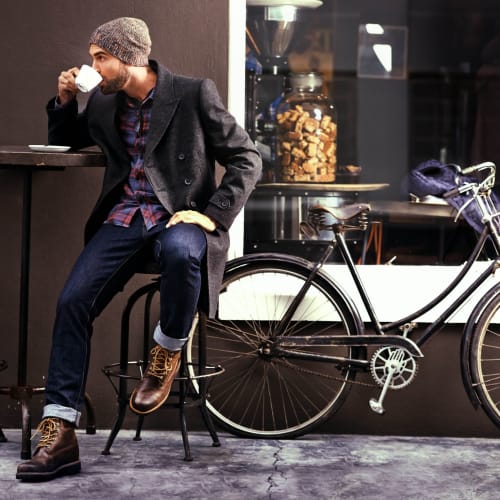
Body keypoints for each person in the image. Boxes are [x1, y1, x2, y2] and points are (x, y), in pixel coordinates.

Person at [16, 17, 261, 481]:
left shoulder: (193, 93)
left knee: (181, 251)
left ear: (128, 57)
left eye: (99, 58)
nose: (92, 66)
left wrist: (213, 213)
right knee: (71, 302)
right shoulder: (107, 105)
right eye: (92, 58)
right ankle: (60, 431)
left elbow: (247, 157)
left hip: (180, 216)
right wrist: (66, 102)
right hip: (126, 218)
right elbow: (65, 143)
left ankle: (165, 351)